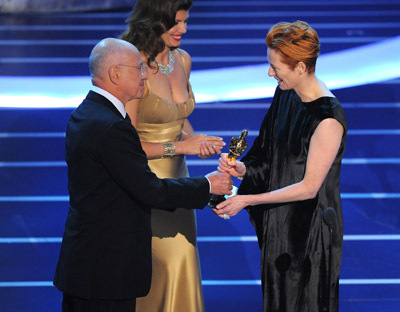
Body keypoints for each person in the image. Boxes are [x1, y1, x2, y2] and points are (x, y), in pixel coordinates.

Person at [53, 38, 232, 312]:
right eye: (138, 68)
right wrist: (207, 186)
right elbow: (152, 191)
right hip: (107, 273)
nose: (144, 75)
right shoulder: (113, 127)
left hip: (88, 265)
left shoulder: (87, 113)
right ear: (115, 74)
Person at [214, 21, 347, 312]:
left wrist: (246, 199)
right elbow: (267, 152)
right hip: (280, 224)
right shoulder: (287, 93)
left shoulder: (327, 120)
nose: (270, 73)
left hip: (309, 233)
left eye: (276, 67)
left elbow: (309, 188)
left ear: (300, 67)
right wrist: (244, 170)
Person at [120, 1, 225, 311]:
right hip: (143, 182)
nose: (184, 29)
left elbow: (176, 119)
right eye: (176, 23)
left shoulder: (183, 60)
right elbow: (123, 145)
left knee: (184, 258)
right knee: (163, 265)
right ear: (154, 21)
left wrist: (196, 140)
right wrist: (182, 146)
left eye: (186, 21)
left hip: (179, 180)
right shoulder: (133, 66)